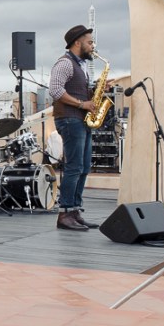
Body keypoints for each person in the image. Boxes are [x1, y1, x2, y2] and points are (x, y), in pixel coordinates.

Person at [49, 25, 99, 231]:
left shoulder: (80, 65)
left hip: (80, 120)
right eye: (90, 42)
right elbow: (55, 90)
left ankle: (75, 211)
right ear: (77, 43)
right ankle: (65, 213)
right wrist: (81, 104)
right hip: (70, 119)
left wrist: (97, 90)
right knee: (74, 167)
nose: (93, 46)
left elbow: (76, 91)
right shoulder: (65, 63)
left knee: (84, 167)